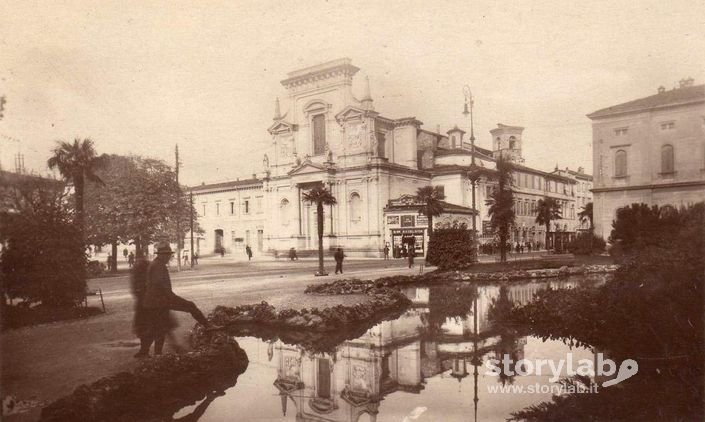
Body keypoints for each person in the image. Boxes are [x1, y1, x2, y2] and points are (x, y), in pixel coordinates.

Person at [136, 242, 220, 357]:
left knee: (158, 327)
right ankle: (208, 326)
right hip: (159, 301)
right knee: (189, 306)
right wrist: (172, 298)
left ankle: (148, 353)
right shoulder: (158, 266)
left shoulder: (156, 264)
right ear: (160, 255)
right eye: (166, 254)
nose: (169, 256)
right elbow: (160, 285)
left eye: (169, 254)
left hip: (155, 301)